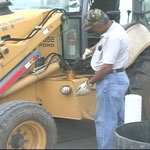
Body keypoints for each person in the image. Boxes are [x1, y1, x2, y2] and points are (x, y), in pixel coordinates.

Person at [76, 9, 130, 149]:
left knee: (105, 121)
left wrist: (89, 83)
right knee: (118, 119)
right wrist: (91, 50)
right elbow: (103, 42)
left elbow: (106, 68)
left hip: (110, 81)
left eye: (92, 27)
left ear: (99, 25)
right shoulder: (114, 27)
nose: (92, 30)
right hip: (118, 79)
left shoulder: (113, 37)